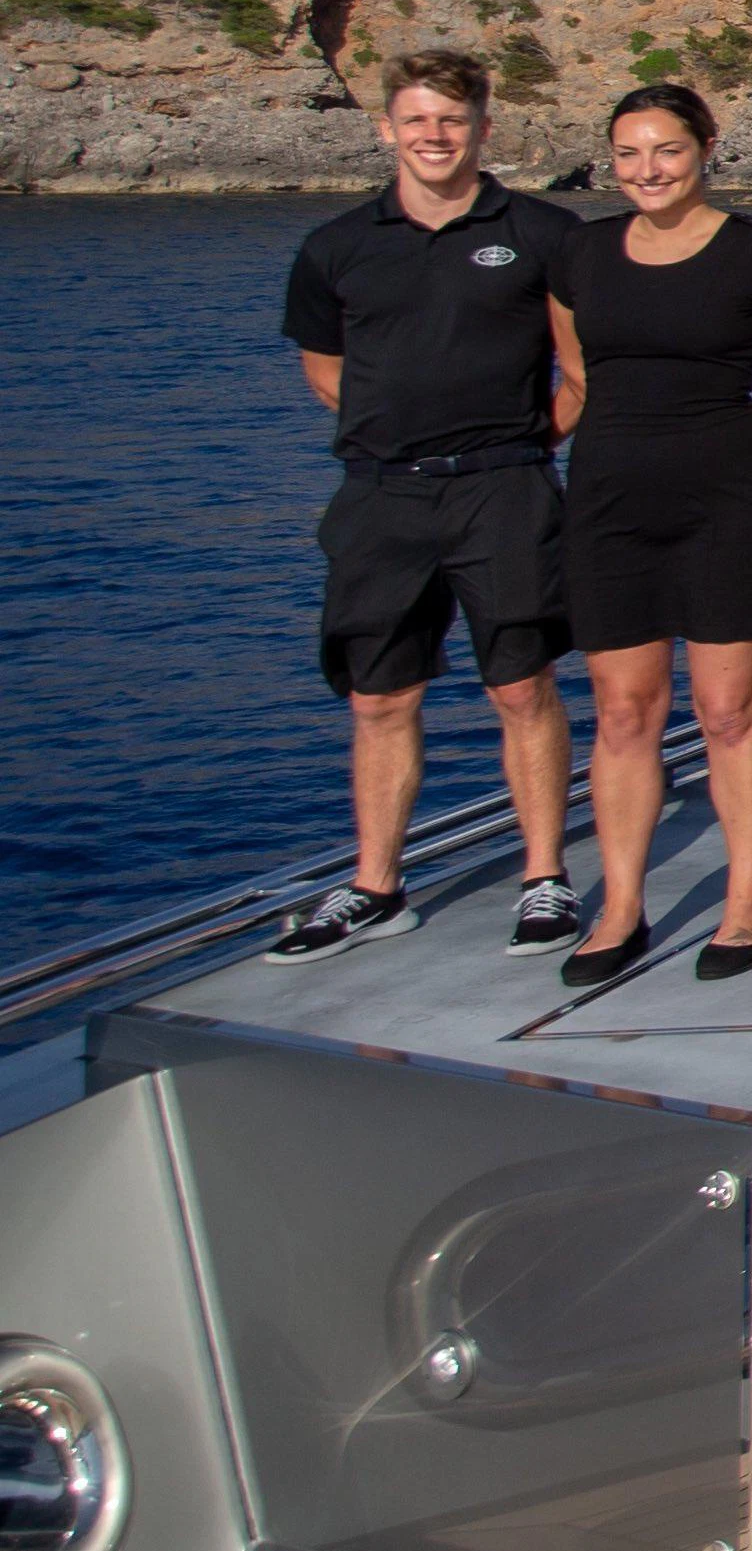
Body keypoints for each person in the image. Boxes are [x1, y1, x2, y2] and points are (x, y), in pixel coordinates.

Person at [266, 48, 584, 962]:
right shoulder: (335, 247)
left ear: (485, 129)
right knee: (378, 697)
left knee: (521, 684)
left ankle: (544, 878)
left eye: (452, 121)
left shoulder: (543, 232)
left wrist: (528, 443)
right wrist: (395, 433)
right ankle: (375, 885)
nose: (434, 137)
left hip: (504, 488)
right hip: (380, 498)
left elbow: (580, 369)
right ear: (386, 130)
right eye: (416, 121)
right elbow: (326, 369)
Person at [547, 84, 752, 984]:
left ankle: (748, 903)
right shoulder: (580, 254)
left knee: (727, 710)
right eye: (628, 154)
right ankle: (620, 907)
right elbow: (580, 379)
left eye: (665, 150)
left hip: (726, 504)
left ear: (706, 147)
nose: (646, 171)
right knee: (623, 713)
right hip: (607, 507)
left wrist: (729, 445)